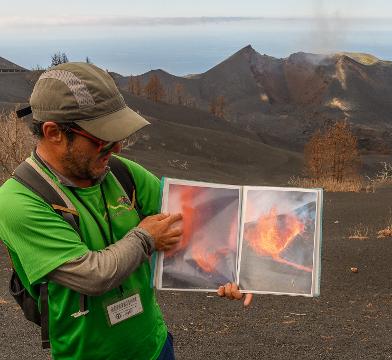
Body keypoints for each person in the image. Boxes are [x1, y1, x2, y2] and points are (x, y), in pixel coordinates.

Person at [0, 62, 252, 360]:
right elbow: (92, 275)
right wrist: (146, 236)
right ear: (54, 132)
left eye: (119, 138)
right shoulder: (17, 201)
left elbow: (194, 219)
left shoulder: (120, 172)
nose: (117, 149)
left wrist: (235, 268)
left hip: (155, 346)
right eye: (102, 140)